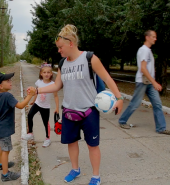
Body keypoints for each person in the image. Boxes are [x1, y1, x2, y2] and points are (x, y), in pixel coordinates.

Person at [29, 24, 124, 185]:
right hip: (69, 112)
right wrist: (37, 90)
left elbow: (107, 78)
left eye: (60, 47)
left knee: (92, 145)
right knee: (71, 143)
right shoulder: (62, 64)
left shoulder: (90, 58)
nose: (59, 50)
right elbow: (57, 85)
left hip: (89, 112)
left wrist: (119, 98)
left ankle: (95, 176)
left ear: (70, 43)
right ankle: (75, 169)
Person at [118, 30, 170, 135]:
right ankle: (122, 121)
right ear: (147, 37)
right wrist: (154, 82)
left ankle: (161, 128)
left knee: (157, 104)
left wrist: (152, 82)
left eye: (155, 37)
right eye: (153, 37)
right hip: (143, 82)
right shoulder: (144, 50)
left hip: (149, 83)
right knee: (135, 103)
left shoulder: (148, 50)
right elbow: (143, 68)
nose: (155, 39)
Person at [0, 72, 36, 182]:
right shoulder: (7, 96)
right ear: (0, 86)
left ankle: (1, 164)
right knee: (6, 150)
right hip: (4, 128)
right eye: (8, 81)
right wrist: (30, 95)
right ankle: (5, 175)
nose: (10, 82)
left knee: (1, 146)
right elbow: (20, 105)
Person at [22, 64, 59, 147]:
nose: (46, 74)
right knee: (30, 115)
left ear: (51, 74)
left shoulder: (53, 84)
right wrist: (33, 100)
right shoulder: (39, 82)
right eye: (44, 72)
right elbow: (36, 92)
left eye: (48, 72)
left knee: (46, 123)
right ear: (41, 73)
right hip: (37, 104)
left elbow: (56, 96)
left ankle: (47, 139)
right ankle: (30, 133)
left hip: (45, 107)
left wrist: (57, 107)